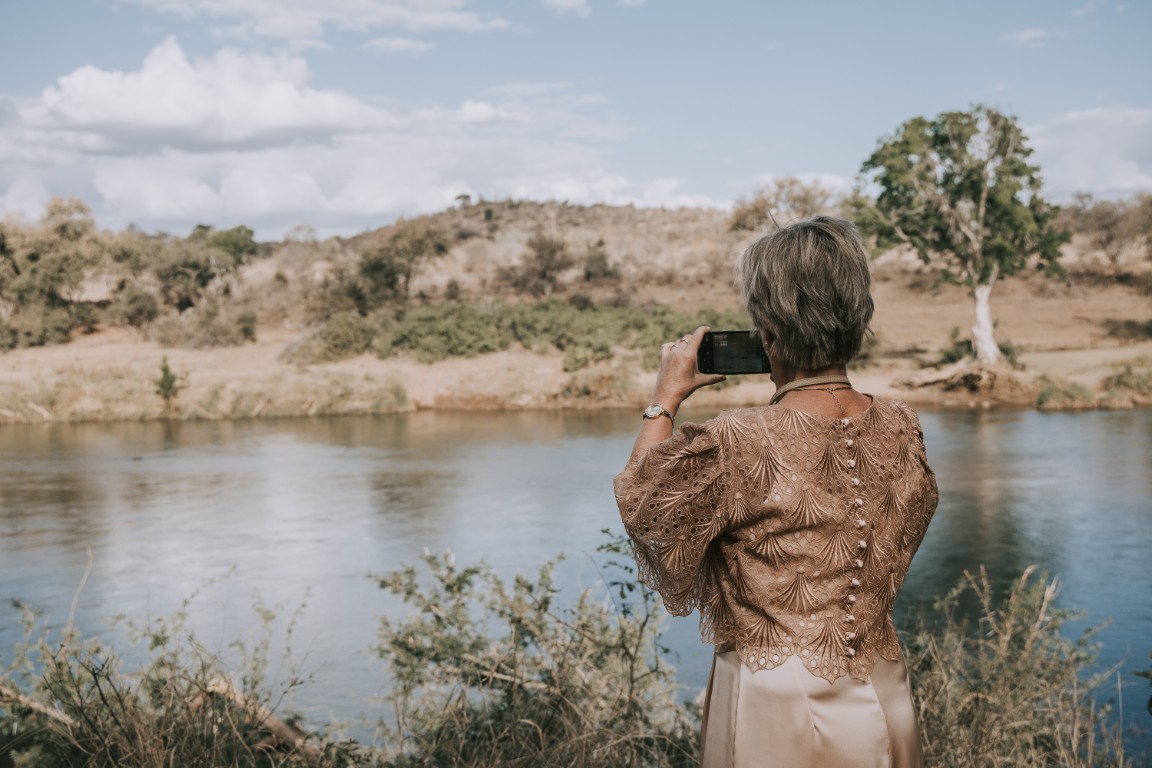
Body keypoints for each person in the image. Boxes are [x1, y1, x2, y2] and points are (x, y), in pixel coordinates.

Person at [613, 216, 938, 768]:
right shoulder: (902, 426)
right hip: (884, 691)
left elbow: (645, 508)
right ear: (856, 317)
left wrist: (664, 398)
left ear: (767, 333)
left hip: (775, 704)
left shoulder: (737, 439)